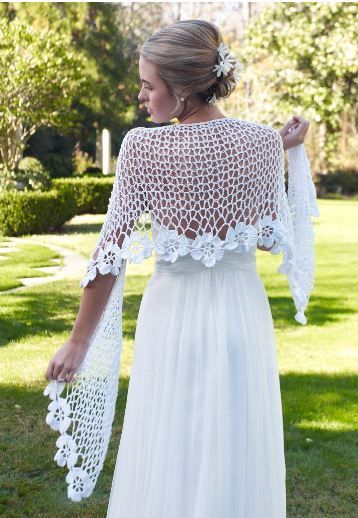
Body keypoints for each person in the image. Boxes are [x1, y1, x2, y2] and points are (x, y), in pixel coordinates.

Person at [44, 19, 316, 517]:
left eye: (149, 85)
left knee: (170, 449)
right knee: (233, 448)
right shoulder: (259, 145)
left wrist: (79, 341)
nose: (141, 96)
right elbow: (256, 239)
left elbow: (110, 252)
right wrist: (280, 145)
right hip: (241, 318)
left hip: (171, 320)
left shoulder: (142, 148)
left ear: (184, 89)